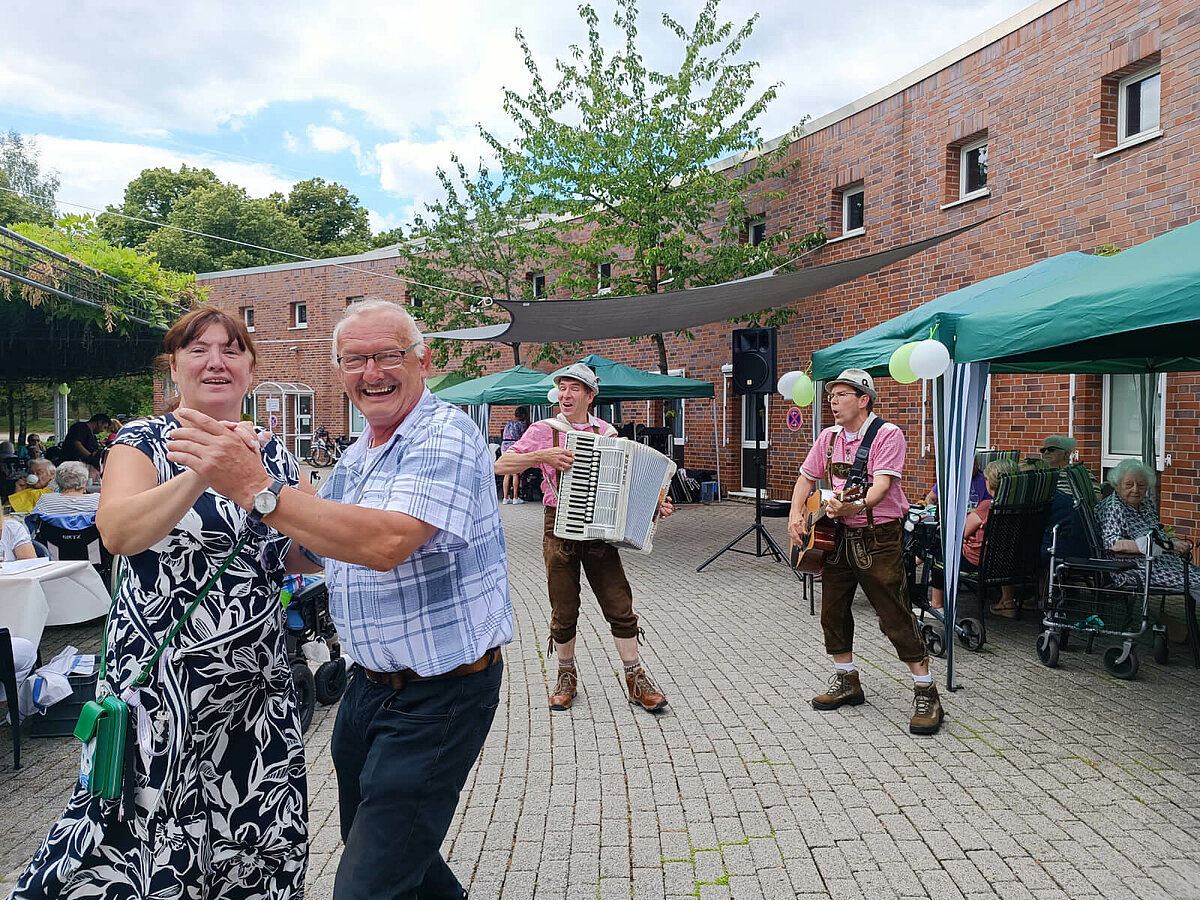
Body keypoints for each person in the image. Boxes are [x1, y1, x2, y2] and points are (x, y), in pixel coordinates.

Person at [164, 298, 513, 900]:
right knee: (396, 853)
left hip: (439, 693)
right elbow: (319, 550)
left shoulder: (444, 431)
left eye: (387, 356)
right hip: (365, 690)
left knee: (368, 883)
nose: (371, 372)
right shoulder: (357, 456)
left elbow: (386, 543)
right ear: (339, 370)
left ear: (422, 360)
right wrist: (206, 543)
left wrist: (256, 486)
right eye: (355, 359)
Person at [8, 308, 310, 899]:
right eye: (198, 350)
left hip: (256, 689)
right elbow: (118, 533)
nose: (216, 361)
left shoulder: (276, 455)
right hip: (160, 684)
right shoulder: (140, 442)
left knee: (253, 827)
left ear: (251, 369)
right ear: (173, 368)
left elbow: (294, 554)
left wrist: (350, 531)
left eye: (232, 349)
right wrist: (208, 468)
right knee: (141, 825)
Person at [496, 362, 674, 713]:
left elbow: (624, 488)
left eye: (574, 388)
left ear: (590, 396)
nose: (565, 394)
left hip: (599, 529)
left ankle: (635, 678)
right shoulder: (544, 430)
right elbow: (501, 464)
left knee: (619, 604)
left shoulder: (608, 434)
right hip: (557, 525)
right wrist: (540, 455)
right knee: (563, 607)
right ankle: (565, 676)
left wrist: (655, 506)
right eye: (562, 387)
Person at [787, 368, 944, 735]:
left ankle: (927, 691)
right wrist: (796, 515)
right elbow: (806, 479)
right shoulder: (828, 437)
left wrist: (852, 507)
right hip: (836, 534)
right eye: (830, 396)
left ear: (863, 400)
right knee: (833, 610)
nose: (833, 402)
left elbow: (881, 489)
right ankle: (847, 679)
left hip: (878, 536)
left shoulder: (888, 435)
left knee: (893, 611)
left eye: (841, 395)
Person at [1096, 458, 1199, 602]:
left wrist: (1174, 541)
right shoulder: (1113, 508)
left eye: (1141, 485)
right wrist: (1168, 547)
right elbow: (1115, 545)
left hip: (1160, 562)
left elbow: (1157, 531)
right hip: (1132, 569)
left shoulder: (1145, 504)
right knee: (1196, 581)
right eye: (1129, 485)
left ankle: (1193, 622)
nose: (1135, 490)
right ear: (1116, 485)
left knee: (1196, 577)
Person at [929, 459, 1019, 613]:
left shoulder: (988, 506)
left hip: (980, 562)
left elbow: (960, 533)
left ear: (990, 482)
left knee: (940, 546)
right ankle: (1007, 602)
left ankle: (937, 605)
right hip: (1010, 562)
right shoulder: (1020, 504)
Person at [31, 461, 99, 523]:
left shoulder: (45, 500)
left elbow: (33, 522)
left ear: (58, 482)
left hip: (53, 536)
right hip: (89, 536)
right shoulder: (97, 500)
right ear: (85, 482)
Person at [923, 459, 990, 508]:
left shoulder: (985, 480)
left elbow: (988, 505)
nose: (972, 466)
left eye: (974, 463)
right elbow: (931, 498)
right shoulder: (950, 478)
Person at [500, 405, 530, 504]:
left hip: (504, 446)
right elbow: (524, 437)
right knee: (515, 472)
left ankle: (505, 497)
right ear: (523, 415)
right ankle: (516, 498)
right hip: (514, 446)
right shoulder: (521, 424)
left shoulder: (508, 423)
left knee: (507, 472)